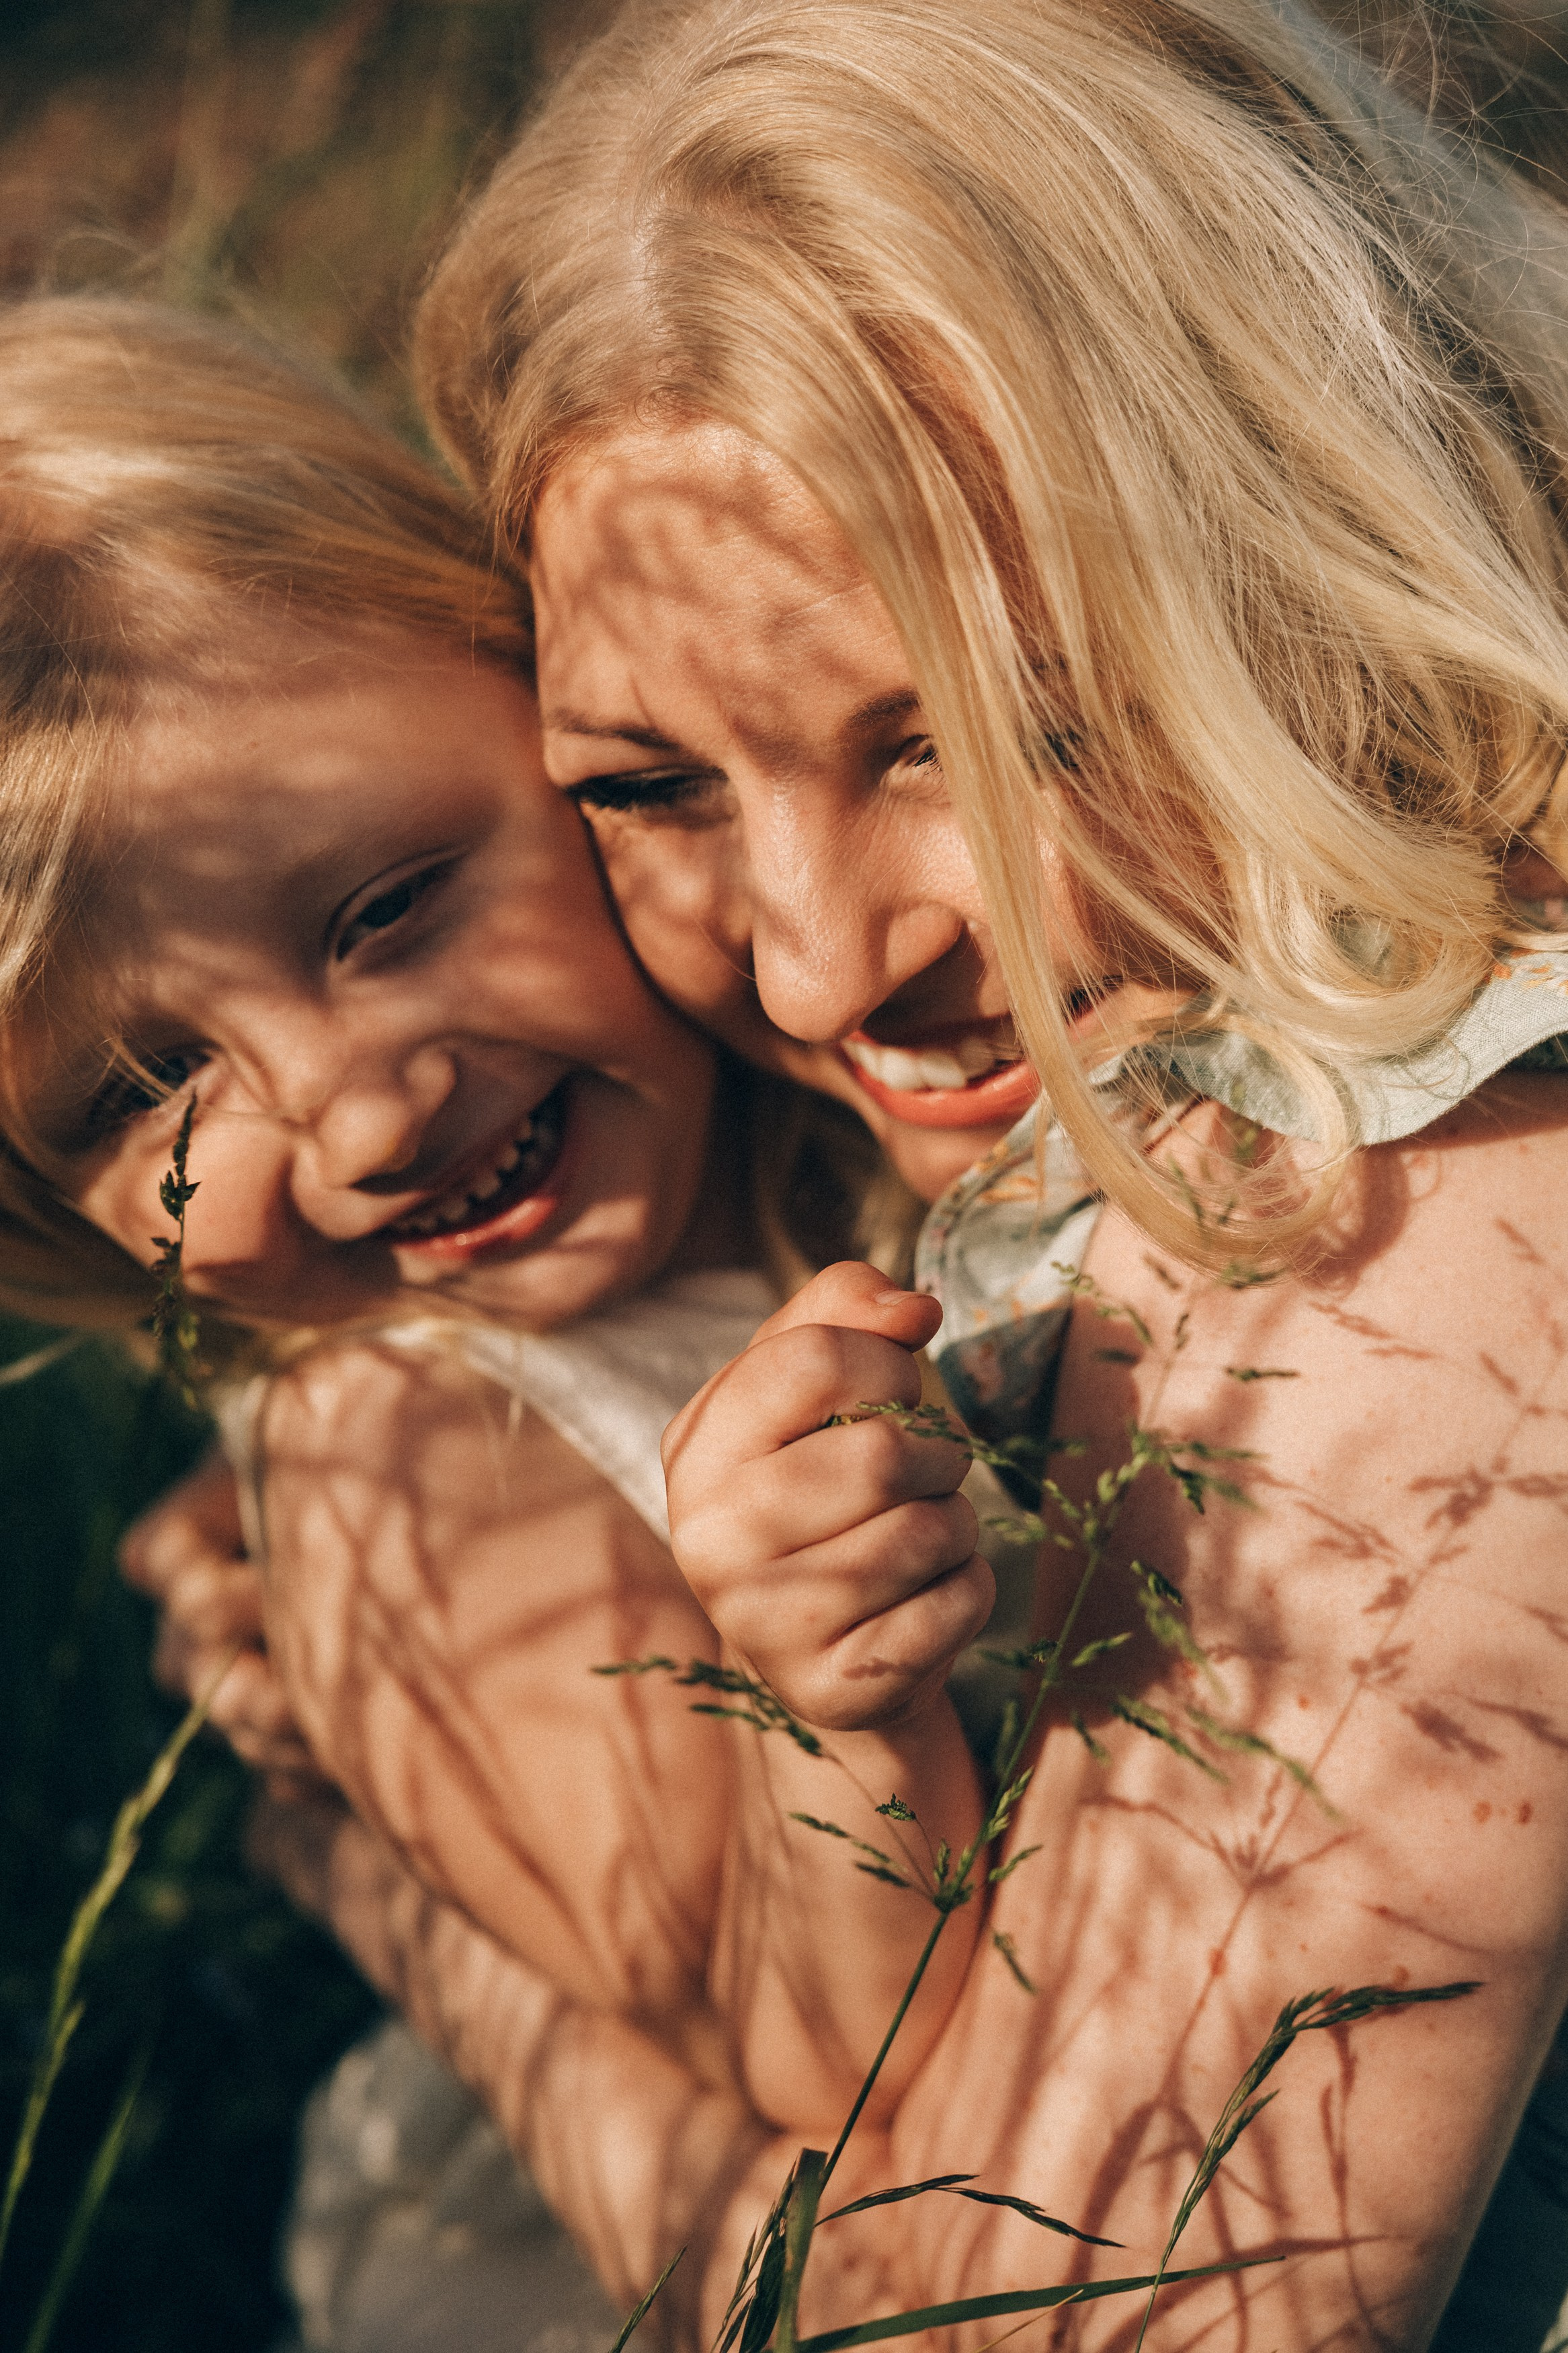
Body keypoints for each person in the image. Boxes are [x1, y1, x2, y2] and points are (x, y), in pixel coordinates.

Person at [380, 0, 1568, 2342]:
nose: (829, 962)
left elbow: (1068, 2317)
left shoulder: (1431, 1197)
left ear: (1303, 555)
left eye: (989, 725)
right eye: (651, 786)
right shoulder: (1106, 1174)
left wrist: (480, 1991)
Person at [0, 292, 971, 2344]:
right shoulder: (411, 1466)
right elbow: (820, 2075)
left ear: (542, 697)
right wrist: (830, 1719)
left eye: (382, 908)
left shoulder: (802, 1078)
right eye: (135, 1091)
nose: (353, 1116)